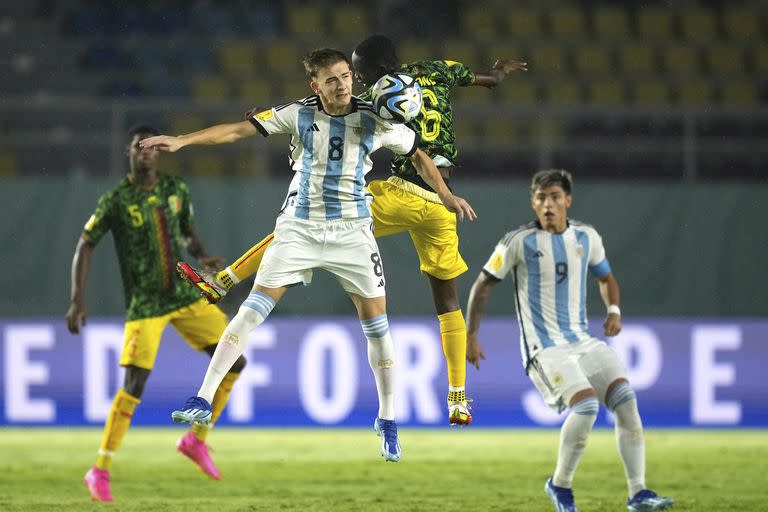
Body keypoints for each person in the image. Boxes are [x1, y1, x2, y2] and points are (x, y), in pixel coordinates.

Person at [139, 48, 476, 462]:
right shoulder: (297, 114)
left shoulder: (376, 117)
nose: (342, 85)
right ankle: (202, 397)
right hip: (299, 229)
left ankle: (388, 420)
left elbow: (418, 154)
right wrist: (183, 140)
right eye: (331, 79)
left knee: (378, 330)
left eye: (346, 75)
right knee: (250, 311)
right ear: (315, 85)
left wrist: (444, 192)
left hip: (353, 233)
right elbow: (237, 132)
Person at [465, 170, 674, 512]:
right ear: (533, 203)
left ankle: (638, 493)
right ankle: (560, 485)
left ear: (567, 200)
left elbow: (606, 277)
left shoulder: (586, 237)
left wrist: (614, 310)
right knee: (587, 406)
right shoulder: (517, 242)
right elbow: (483, 285)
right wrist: (471, 334)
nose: (548, 204)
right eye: (541, 198)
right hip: (543, 348)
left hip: (583, 342)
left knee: (626, 401)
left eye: (554, 197)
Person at [67, 126, 247, 502]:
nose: (146, 152)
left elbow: (187, 232)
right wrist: (77, 299)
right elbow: (86, 245)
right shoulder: (115, 200)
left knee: (235, 361)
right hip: (146, 303)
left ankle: (195, 441)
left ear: (159, 152)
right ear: (129, 153)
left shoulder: (175, 190)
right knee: (134, 386)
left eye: (152, 146)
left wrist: (201, 255)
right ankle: (99, 468)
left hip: (182, 295)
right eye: (139, 146)